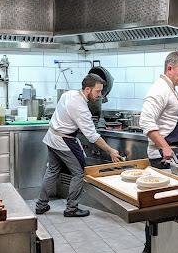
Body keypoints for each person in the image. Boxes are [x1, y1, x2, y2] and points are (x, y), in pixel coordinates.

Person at [36, 73, 122, 217]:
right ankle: (71, 209)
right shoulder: (81, 108)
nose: (100, 95)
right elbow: (92, 136)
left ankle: (41, 205)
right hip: (64, 141)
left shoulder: (68, 94)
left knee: (52, 170)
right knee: (79, 173)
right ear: (87, 89)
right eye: (98, 91)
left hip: (52, 137)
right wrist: (110, 150)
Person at [139, 51, 178, 253]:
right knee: (161, 205)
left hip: (174, 153)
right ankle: (152, 248)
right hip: (165, 157)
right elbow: (145, 122)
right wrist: (165, 147)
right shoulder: (159, 89)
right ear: (170, 68)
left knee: (171, 204)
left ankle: (163, 248)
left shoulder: (171, 89)